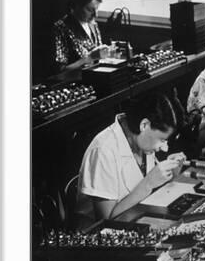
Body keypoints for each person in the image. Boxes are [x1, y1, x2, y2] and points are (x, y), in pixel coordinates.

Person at [76, 93, 186, 224]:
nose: (165, 148)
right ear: (144, 125)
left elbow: (146, 193)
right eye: (162, 140)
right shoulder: (104, 150)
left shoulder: (141, 141)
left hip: (137, 219)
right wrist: (148, 183)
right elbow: (106, 221)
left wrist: (169, 174)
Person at [53, 0, 110, 73]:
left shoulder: (93, 24)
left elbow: (99, 60)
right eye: (90, 10)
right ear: (76, 6)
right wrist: (89, 58)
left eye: (97, 9)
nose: (95, 15)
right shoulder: (61, 27)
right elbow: (60, 71)